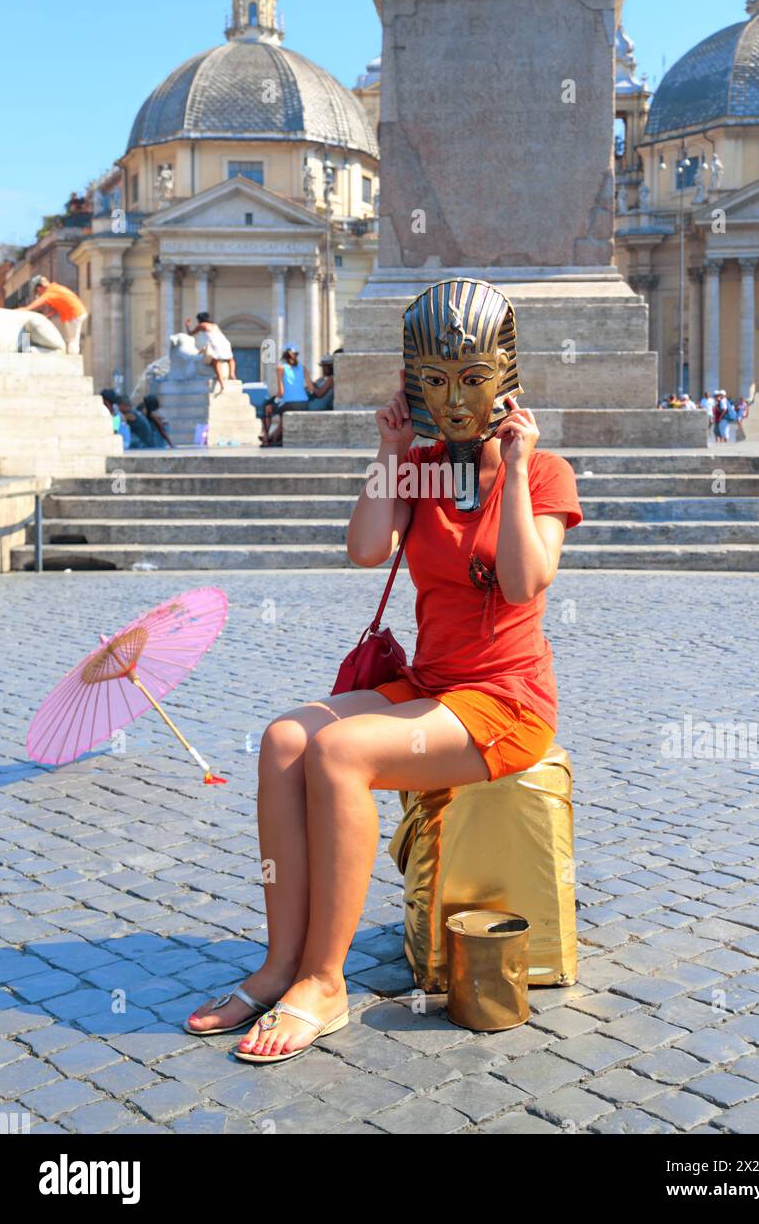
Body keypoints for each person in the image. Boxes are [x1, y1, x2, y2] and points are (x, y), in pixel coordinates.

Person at [185, 278, 584, 1062]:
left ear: (505, 376)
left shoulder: (545, 471)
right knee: (283, 739)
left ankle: (325, 981)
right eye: (436, 380)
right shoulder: (421, 467)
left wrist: (510, 470)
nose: (457, 398)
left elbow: (522, 582)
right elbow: (365, 549)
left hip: (504, 700)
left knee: (339, 751)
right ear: (413, 383)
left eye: (473, 378)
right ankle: (280, 965)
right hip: (430, 685)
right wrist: (389, 454)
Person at [260, 346, 315, 446]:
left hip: (290, 403)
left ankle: (266, 438)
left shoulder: (281, 368)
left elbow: (281, 392)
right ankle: (275, 438)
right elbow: (311, 388)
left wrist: (274, 399)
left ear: (283, 356)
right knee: (282, 412)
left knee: (268, 408)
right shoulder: (303, 368)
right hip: (304, 403)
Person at [22, 275, 88, 353]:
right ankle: (71, 356)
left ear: (39, 288)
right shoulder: (54, 288)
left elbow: (30, 307)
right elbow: (55, 308)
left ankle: (72, 360)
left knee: (72, 341)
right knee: (69, 341)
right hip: (73, 314)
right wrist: (45, 316)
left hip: (74, 314)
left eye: (38, 293)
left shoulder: (49, 293)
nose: (39, 295)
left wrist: (18, 311)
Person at [185, 312, 235, 394]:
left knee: (215, 362)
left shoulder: (202, 325)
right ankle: (232, 374)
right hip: (224, 342)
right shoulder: (214, 325)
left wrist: (187, 326)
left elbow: (191, 333)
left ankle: (222, 384)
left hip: (215, 343)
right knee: (230, 358)